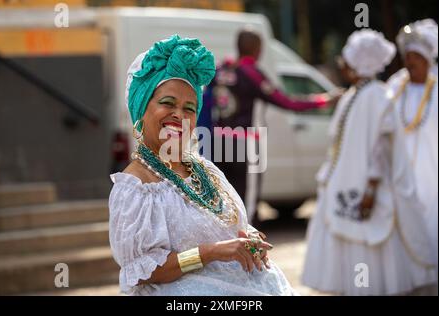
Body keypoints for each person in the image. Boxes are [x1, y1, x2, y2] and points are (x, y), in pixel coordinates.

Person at [108, 35, 298, 296]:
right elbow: (144, 270)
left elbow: (231, 225)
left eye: (190, 108)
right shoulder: (136, 187)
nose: (179, 115)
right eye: (167, 103)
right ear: (141, 109)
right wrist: (212, 253)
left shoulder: (206, 170)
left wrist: (249, 239)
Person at [302, 29, 437, 296]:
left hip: (367, 190)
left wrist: (372, 187)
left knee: (370, 240)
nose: (343, 64)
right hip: (345, 184)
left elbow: (380, 145)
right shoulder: (355, 94)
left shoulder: (377, 95)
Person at [204, 29, 337, 225]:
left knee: (223, 199)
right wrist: (323, 100)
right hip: (244, 143)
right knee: (245, 204)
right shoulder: (252, 73)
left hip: (219, 141)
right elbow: (286, 102)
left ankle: (223, 247)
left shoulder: (223, 70)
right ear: (258, 49)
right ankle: (244, 248)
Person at [387, 19, 438, 293]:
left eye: (416, 57)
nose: (410, 62)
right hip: (402, 170)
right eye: (407, 57)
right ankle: (413, 274)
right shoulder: (396, 85)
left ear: (428, 58)